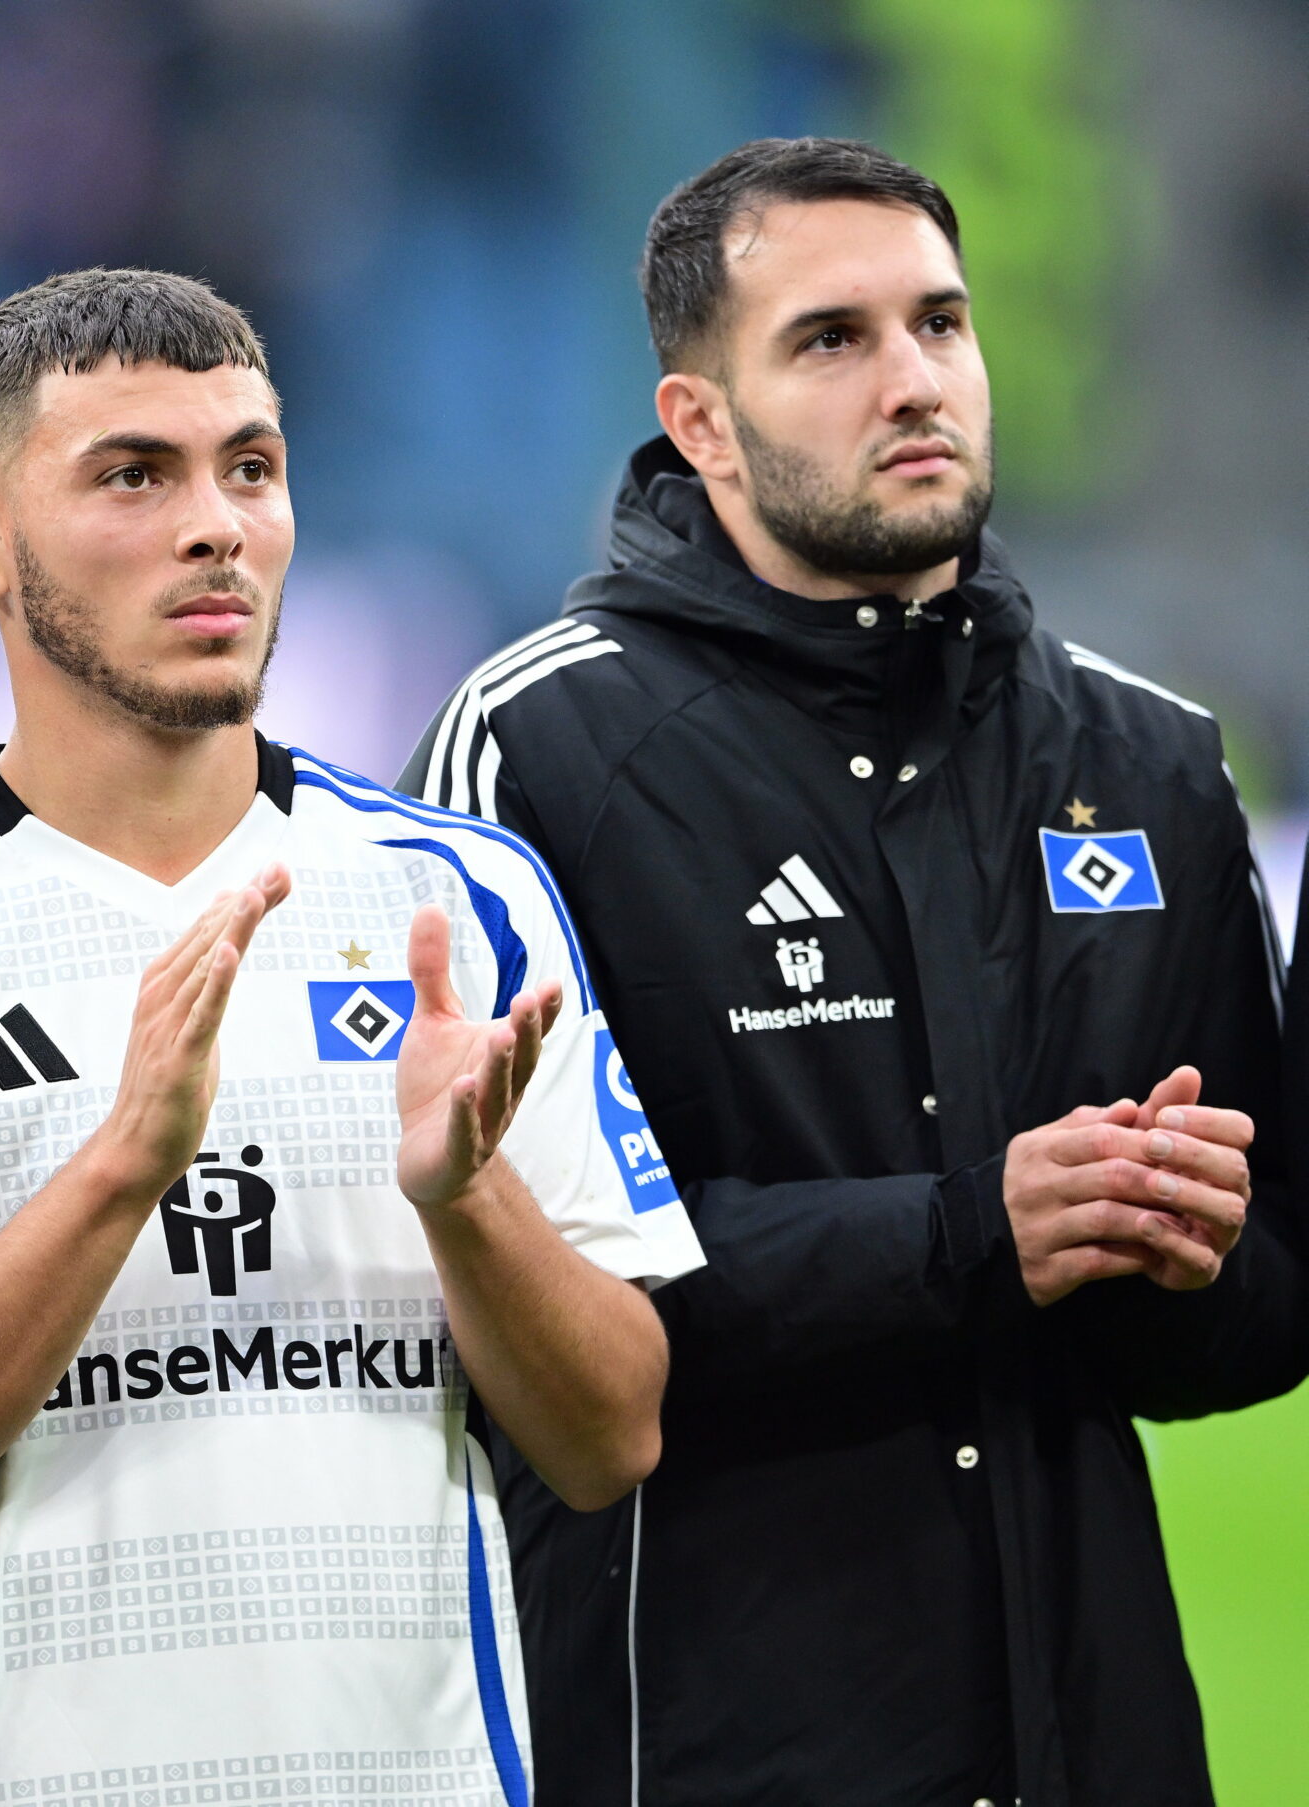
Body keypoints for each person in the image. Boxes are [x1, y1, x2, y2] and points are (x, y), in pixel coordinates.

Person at [0, 268, 705, 1805]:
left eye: (251, 467)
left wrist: (469, 1200)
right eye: (134, 475)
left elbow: (612, 1435)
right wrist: (118, 1170)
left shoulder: (461, 898)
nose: (217, 525)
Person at [402, 137, 1307, 1806]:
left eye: (941, 326)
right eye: (832, 340)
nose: (914, 380)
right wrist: (973, 1229)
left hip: (1094, 1751)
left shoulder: (1157, 763)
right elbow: (515, 1307)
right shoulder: (536, 748)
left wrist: (1190, 1256)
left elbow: (1258, 1332)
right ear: (701, 424)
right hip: (712, 1747)